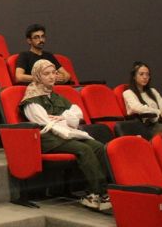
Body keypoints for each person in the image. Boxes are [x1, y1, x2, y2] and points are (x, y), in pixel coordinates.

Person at [21, 59, 111, 211]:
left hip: (65, 133)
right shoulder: (31, 100)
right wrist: (66, 119)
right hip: (47, 138)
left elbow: (78, 113)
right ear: (37, 76)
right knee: (84, 149)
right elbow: (45, 122)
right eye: (46, 74)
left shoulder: (55, 96)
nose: (52, 76)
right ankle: (101, 192)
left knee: (98, 147)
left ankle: (93, 192)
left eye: (54, 73)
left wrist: (62, 117)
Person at [122, 61, 162, 134]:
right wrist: (157, 112)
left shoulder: (153, 91)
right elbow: (137, 108)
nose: (145, 77)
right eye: (141, 74)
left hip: (159, 124)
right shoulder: (128, 93)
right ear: (134, 76)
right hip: (145, 128)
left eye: (147, 74)